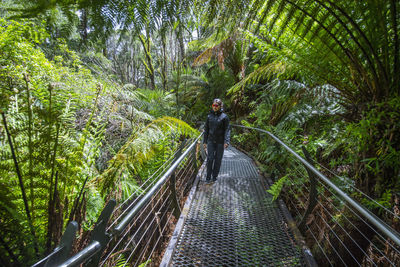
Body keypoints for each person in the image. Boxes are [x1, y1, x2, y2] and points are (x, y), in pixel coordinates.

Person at [203, 98, 230, 183]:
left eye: (216, 105)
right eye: (213, 105)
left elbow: (227, 130)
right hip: (211, 141)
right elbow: (206, 129)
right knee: (210, 158)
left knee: (218, 160)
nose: (214, 107)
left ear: (220, 106)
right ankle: (208, 177)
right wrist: (204, 141)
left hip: (220, 142)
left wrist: (226, 141)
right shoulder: (209, 116)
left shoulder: (224, 117)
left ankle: (214, 177)